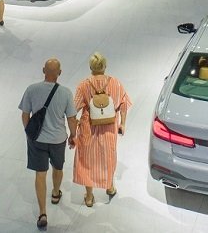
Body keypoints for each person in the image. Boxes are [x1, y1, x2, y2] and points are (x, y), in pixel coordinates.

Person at [20, 58, 79, 232]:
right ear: (59, 73)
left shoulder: (31, 89)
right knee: (58, 168)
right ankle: (55, 193)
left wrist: (30, 133)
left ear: (43, 70)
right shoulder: (66, 93)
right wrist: (73, 135)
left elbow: (25, 115)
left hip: (37, 140)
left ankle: (43, 213)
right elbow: (71, 119)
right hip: (58, 140)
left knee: (40, 174)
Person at [71, 52, 131, 208]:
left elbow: (73, 109)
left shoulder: (83, 85)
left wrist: (73, 128)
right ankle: (109, 187)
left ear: (90, 67)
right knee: (108, 157)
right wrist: (123, 123)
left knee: (87, 160)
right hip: (109, 127)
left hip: (88, 128)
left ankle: (89, 196)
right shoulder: (115, 83)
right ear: (105, 66)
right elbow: (124, 104)